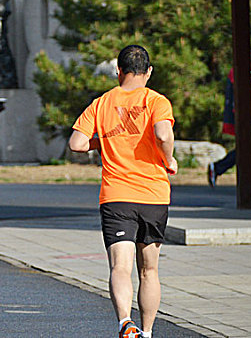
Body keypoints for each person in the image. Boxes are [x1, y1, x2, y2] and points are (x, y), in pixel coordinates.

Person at [69, 45, 177, 338]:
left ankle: (124, 323)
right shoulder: (156, 101)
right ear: (149, 72)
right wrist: (168, 160)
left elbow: (77, 143)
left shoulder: (102, 103)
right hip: (153, 194)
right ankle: (149, 331)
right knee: (149, 270)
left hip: (116, 195)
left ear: (118, 71)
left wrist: (99, 143)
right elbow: (163, 134)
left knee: (120, 266)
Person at [208, 50, 251, 187]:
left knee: (247, 147)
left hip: (250, 116)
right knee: (246, 147)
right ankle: (219, 167)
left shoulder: (247, 75)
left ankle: (219, 168)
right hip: (244, 117)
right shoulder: (240, 76)